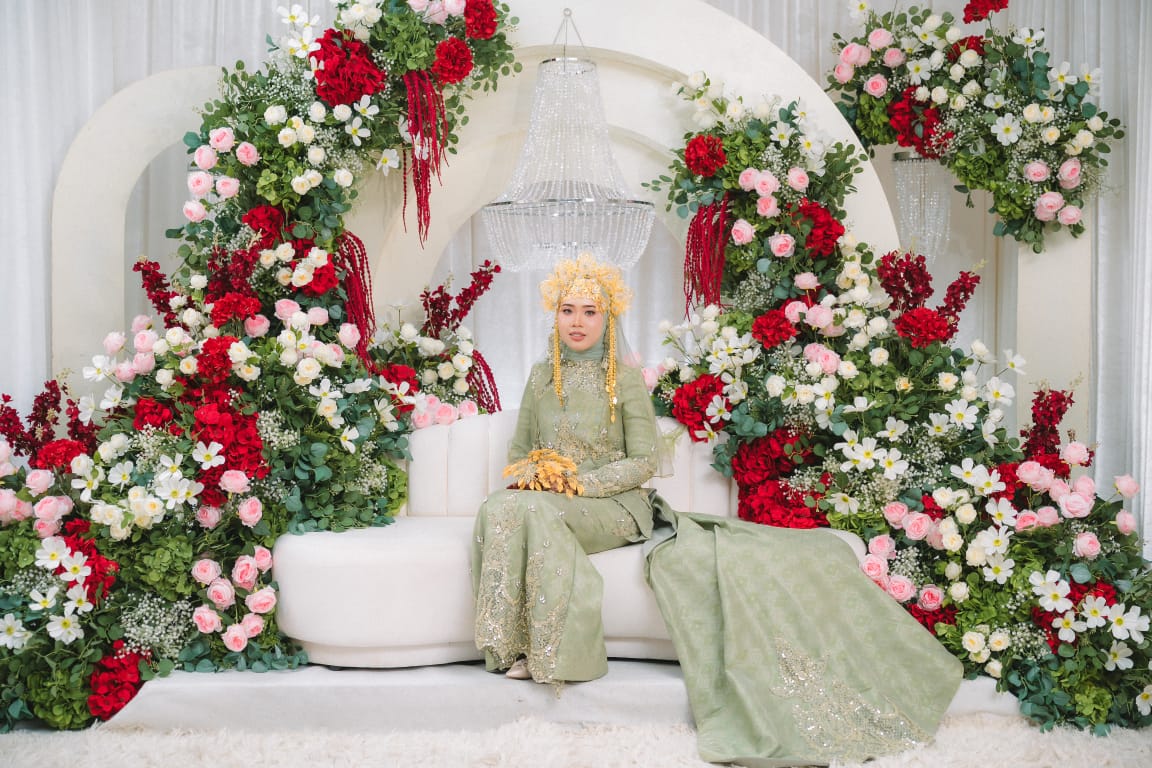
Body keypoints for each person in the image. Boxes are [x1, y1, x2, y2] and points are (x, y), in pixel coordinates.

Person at [471, 254, 962, 765]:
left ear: (608, 317)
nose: (577, 322)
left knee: (535, 511)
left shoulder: (624, 379)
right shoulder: (540, 376)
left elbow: (643, 462)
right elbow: (519, 450)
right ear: (554, 314)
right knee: (501, 505)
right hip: (552, 497)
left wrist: (579, 483)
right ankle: (509, 645)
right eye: (568, 310)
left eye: (589, 311)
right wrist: (534, 473)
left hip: (616, 504)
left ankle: (557, 653)